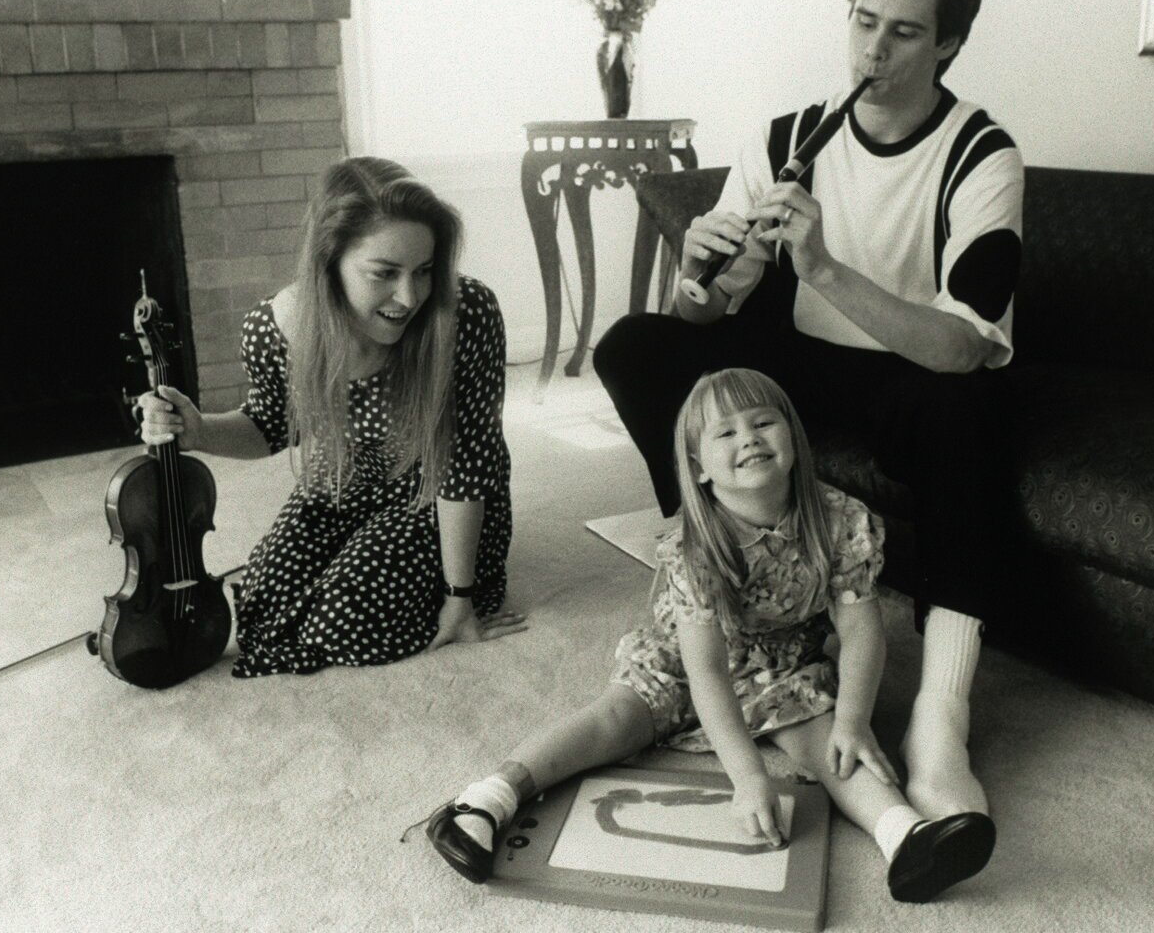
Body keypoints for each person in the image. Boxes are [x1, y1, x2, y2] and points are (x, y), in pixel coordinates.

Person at [593, 0, 1022, 829]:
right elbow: (706, 317)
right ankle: (711, 566)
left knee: (971, 409)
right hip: (794, 362)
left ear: (947, 42)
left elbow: (962, 347)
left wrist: (823, 266)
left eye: (904, 31)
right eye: (863, 21)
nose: (873, 47)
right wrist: (696, 277)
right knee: (635, 346)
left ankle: (942, 721)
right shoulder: (791, 133)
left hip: (910, 368)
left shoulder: (983, 156)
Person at [425, 369, 996, 904]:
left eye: (763, 422)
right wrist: (747, 776)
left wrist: (854, 717)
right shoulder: (694, 548)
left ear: (793, 437)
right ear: (700, 466)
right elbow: (706, 672)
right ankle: (484, 801)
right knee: (614, 720)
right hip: (687, 661)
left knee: (836, 743)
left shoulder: (841, 519)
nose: (748, 437)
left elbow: (862, 633)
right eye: (726, 432)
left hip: (786, 662)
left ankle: (906, 838)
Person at [137, 157, 525, 677]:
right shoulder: (273, 328)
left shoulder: (466, 314)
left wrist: (460, 599)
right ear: (329, 262)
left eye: (425, 270)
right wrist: (201, 430)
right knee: (259, 605)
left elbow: (466, 465)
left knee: (338, 622)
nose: (410, 297)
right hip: (345, 478)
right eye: (384, 273)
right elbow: (269, 424)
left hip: (440, 490)